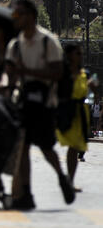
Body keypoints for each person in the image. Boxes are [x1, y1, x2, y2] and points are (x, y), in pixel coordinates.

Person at [5, 0, 74, 210]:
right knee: (23, 148)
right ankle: (26, 192)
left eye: (19, 15)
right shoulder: (14, 45)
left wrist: (27, 72)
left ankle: (62, 177)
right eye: (14, 15)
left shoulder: (48, 41)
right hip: (24, 101)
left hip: (45, 101)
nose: (15, 19)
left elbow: (58, 72)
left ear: (31, 16)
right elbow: (12, 77)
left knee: (45, 147)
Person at [56, 44, 93, 192]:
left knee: (77, 147)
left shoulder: (85, 73)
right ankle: (68, 181)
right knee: (73, 147)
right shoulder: (64, 73)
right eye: (77, 53)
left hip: (82, 113)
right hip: (69, 112)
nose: (80, 56)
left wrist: (93, 88)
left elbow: (89, 93)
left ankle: (69, 181)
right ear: (70, 55)